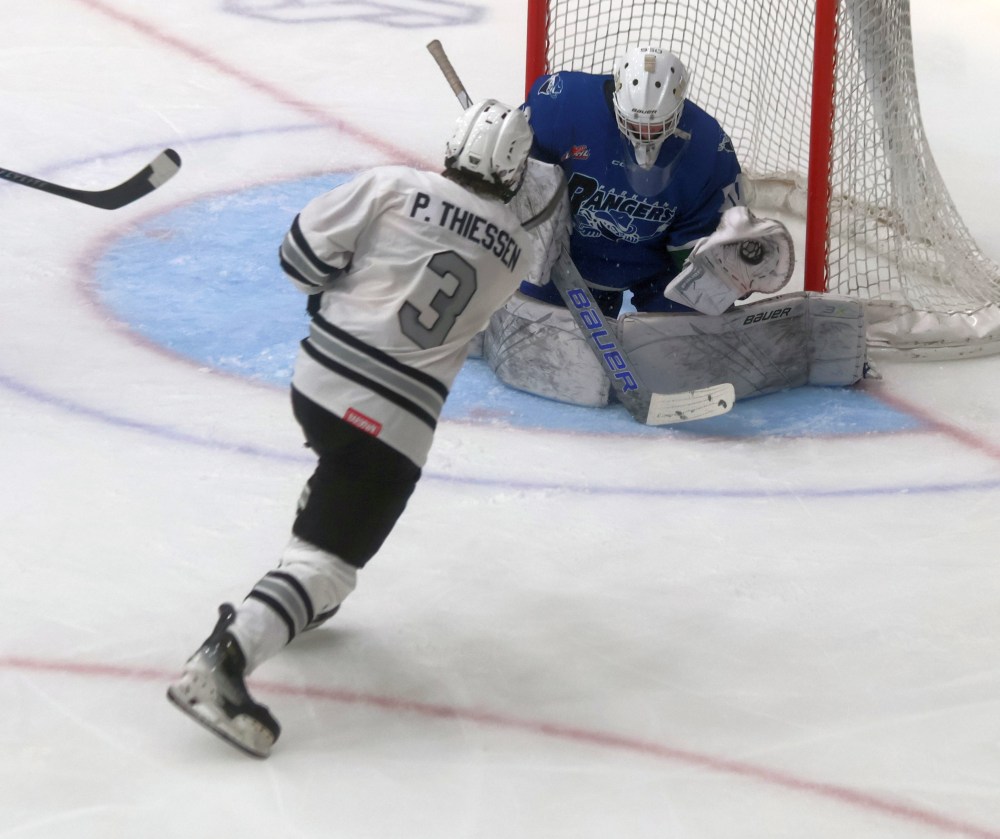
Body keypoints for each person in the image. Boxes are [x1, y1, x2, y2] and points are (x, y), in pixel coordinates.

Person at [166, 98, 535, 758]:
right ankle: (222, 662)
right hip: (392, 424)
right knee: (329, 566)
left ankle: (299, 586)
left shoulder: (394, 185)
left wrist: (343, 279)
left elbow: (299, 258)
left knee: (336, 474)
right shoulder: (515, 257)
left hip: (318, 383)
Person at [484, 45, 868, 407]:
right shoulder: (564, 102)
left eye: (658, 126)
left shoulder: (708, 146)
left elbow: (696, 250)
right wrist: (537, 216)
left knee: (688, 349)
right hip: (566, 260)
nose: (645, 136)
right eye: (634, 124)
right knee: (537, 333)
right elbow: (516, 167)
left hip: (650, 270)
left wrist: (723, 267)